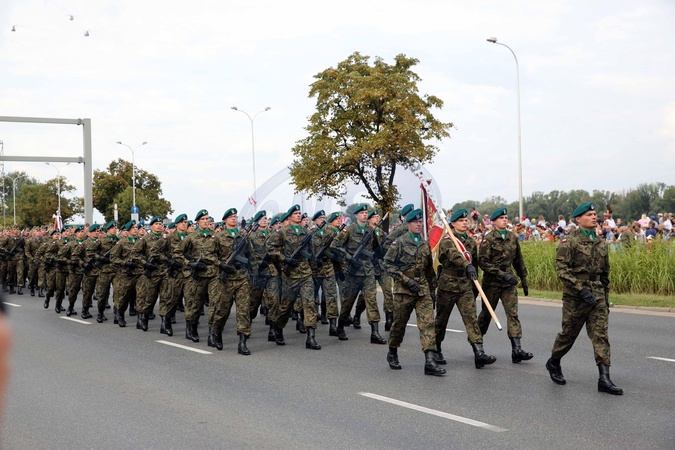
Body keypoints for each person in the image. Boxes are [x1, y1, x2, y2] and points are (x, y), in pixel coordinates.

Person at [546, 202, 623, 395]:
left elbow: (605, 274)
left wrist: (605, 299)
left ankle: (604, 378)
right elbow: (562, 270)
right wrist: (581, 290)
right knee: (568, 334)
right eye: (589, 214)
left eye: (595, 214)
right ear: (578, 219)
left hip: (597, 294)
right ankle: (554, 361)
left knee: (601, 335)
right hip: (575, 296)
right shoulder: (569, 241)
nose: (594, 217)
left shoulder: (601, 242)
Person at [382, 209, 445, 376]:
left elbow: (429, 271)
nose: (419, 224)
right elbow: (387, 264)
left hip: (422, 290)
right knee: (399, 324)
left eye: (420, 222)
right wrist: (405, 280)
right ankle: (392, 351)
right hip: (404, 290)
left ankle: (430, 361)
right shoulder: (399, 242)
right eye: (415, 222)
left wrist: (432, 291)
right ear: (408, 224)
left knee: (427, 324)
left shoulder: (424, 244)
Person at [435, 209, 496, 369]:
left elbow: (474, 265)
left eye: (465, 220)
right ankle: (436, 349)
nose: (464, 223)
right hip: (448, 286)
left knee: (471, 320)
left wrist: (474, 284)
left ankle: (479, 352)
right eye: (460, 221)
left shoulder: (470, 242)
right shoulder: (447, 240)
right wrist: (466, 265)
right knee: (441, 321)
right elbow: (454, 255)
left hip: (465, 285)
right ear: (453, 223)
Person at [477, 207, 533, 363]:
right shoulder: (488, 239)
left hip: (509, 283)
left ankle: (517, 350)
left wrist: (523, 278)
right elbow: (483, 262)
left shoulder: (512, 237)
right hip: (492, 283)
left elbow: (518, 260)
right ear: (494, 221)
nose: (505, 220)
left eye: (506, 218)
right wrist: (502, 274)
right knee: (486, 315)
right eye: (501, 218)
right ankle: (477, 346)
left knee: (513, 314)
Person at [266, 205, 322, 349]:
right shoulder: (282, 232)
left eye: (299, 213)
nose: (298, 215)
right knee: (286, 306)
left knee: (309, 304)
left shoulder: (306, 233)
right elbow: (270, 248)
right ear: (290, 216)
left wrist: (314, 268)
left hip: (306, 273)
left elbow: (311, 253)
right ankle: (278, 328)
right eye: (295, 213)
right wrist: (284, 259)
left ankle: (311, 338)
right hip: (290, 275)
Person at [332, 204, 386, 344]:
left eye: (366, 212)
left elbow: (376, 248)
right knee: (348, 302)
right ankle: (340, 326)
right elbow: (335, 245)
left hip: (368, 271)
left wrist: (379, 256)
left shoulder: (370, 230)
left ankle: (375, 332)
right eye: (362, 213)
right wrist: (349, 258)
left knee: (371, 300)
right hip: (353, 273)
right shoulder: (349, 230)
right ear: (356, 215)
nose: (364, 215)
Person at [212, 208, 253, 354]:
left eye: (235, 217)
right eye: (231, 217)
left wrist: (250, 268)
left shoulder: (243, 236)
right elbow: (209, 255)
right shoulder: (218, 237)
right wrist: (221, 265)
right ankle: (217, 331)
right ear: (225, 220)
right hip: (226, 280)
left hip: (241, 278)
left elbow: (250, 255)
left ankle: (242, 342)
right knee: (222, 311)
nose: (234, 219)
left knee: (243, 311)